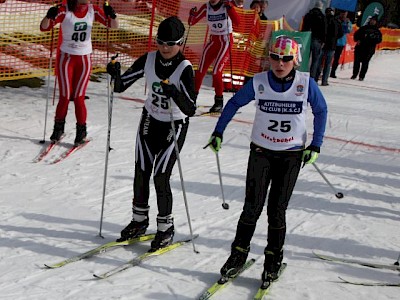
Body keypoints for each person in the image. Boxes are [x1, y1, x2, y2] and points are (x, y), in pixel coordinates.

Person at [207, 36, 327, 283]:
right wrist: (218, 131)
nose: (279, 64)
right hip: (261, 152)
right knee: (251, 207)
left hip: (291, 155)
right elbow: (233, 104)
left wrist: (316, 145)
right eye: (275, 57)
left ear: (295, 60)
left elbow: (321, 110)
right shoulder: (259, 82)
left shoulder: (306, 83)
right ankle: (238, 255)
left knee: (276, 210)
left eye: (285, 59)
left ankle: (273, 258)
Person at [106, 16, 197, 251]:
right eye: (161, 42)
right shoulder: (149, 58)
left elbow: (191, 108)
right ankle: (139, 221)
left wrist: (174, 92)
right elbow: (120, 85)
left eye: (171, 44)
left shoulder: (185, 68)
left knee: (161, 176)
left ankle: (165, 227)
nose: (165, 48)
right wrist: (114, 72)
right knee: (141, 170)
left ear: (180, 44)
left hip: (174, 125)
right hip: (150, 120)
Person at [40, 0, 119, 146]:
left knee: (78, 97)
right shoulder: (65, 10)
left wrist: (112, 15)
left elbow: (113, 26)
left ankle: (81, 132)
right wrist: (48, 15)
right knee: (64, 96)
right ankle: (58, 129)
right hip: (67, 59)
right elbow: (44, 27)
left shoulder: (92, 10)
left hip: (84, 59)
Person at [188, 0, 240, 113]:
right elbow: (191, 22)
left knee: (217, 72)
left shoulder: (226, 5)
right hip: (213, 41)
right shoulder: (206, 7)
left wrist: (230, 8)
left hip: (226, 41)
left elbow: (237, 22)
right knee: (200, 70)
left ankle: (218, 102)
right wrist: (192, 14)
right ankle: (192, 98)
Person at [315, 7, 343, 86]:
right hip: (332, 45)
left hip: (322, 44)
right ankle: (324, 81)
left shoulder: (322, 20)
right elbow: (340, 34)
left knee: (318, 63)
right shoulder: (337, 22)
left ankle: (315, 79)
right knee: (327, 64)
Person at [301, 1, 327, 81]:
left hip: (307, 38)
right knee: (315, 60)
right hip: (317, 40)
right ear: (321, 7)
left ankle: (302, 75)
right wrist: (323, 40)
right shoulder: (322, 16)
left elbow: (304, 27)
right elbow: (324, 30)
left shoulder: (308, 15)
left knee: (305, 59)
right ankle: (312, 77)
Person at [351, 15, 382, 81]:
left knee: (365, 63)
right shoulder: (363, 28)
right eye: (371, 20)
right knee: (357, 62)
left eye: (374, 20)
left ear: (376, 22)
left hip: (369, 49)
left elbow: (379, 40)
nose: (372, 21)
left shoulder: (377, 31)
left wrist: (373, 39)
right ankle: (354, 74)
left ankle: (362, 76)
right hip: (360, 48)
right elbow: (356, 35)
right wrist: (357, 39)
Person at [330, 10, 352, 78]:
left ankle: (333, 72)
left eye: (345, 14)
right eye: (342, 13)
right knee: (329, 56)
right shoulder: (335, 20)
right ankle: (325, 71)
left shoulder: (347, 21)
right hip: (333, 41)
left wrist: (347, 23)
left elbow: (349, 30)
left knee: (336, 58)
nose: (343, 15)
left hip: (341, 42)